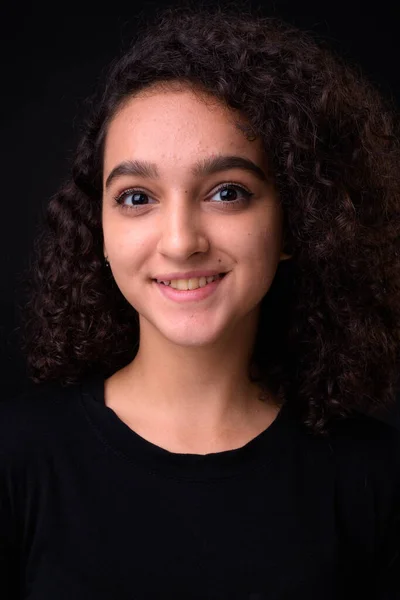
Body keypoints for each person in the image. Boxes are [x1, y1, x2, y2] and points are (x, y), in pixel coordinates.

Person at [1, 2, 400, 598]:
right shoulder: (16, 459)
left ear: (296, 223)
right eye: (137, 198)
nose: (182, 241)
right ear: (100, 230)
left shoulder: (375, 479)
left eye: (227, 192)